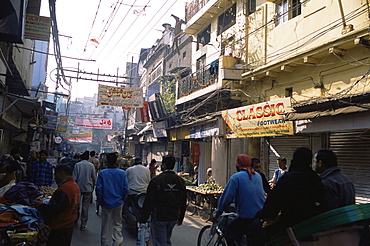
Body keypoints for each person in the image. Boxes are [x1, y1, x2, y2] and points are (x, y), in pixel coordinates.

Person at [257, 147, 325, 238]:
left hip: (290, 224)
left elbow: (273, 203)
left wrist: (264, 214)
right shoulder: (315, 178)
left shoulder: (288, 179)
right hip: (312, 223)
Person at [213, 154, 265, 246]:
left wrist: (218, 211)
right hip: (260, 215)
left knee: (228, 231)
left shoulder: (236, 177)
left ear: (237, 166)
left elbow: (227, 198)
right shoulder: (257, 176)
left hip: (246, 217)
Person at [139, 155, 187, 246]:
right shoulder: (180, 181)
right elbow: (183, 200)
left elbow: (149, 201)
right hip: (173, 216)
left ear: (164, 165)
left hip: (159, 217)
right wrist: (181, 217)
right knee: (166, 240)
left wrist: (143, 219)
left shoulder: (156, 180)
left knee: (159, 242)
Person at [35, 164, 80, 246]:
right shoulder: (74, 185)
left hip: (60, 226)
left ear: (61, 174)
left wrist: (41, 205)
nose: (54, 178)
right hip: (68, 224)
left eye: (55, 175)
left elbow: (56, 208)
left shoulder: (65, 188)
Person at [95, 152, 129, 246]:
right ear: (116, 161)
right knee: (117, 224)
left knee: (105, 225)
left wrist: (100, 201)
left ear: (106, 161)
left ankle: (104, 243)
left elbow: (99, 189)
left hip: (106, 203)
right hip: (118, 202)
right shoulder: (122, 173)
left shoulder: (102, 173)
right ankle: (117, 242)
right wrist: (123, 199)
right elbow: (126, 189)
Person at [72, 151, 96, 231]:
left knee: (76, 205)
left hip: (78, 188)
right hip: (88, 188)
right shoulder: (91, 166)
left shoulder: (77, 165)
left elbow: (74, 178)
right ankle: (83, 224)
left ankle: (75, 220)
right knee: (85, 207)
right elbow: (94, 177)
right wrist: (94, 185)